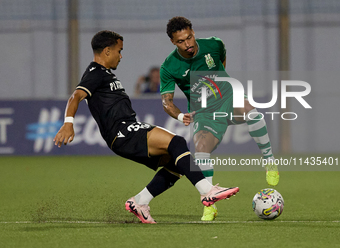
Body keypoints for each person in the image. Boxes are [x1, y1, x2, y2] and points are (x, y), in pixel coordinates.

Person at [53, 30, 239, 224]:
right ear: (107, 51)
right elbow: (76, 96)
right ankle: (207, 191)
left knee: (176, 163)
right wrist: (68, 123)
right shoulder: (95, 73)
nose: (121, 55)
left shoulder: (105, 74)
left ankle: (139, 202)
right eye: (119, 50)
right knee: (177, 143)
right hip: (123, 132)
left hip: (126, 130)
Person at [160, 16, 279, 221]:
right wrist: (180, 115)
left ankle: (269, 160)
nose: (187, 44)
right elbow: (167, 101)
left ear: (193, 32)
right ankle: (209, 203)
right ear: (172, 41)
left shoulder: (213, 44)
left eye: (189, 37)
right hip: (203, 111)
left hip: (228, 95)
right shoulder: (169, 67)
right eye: (181, 41)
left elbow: (221, 59)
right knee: (201, 148)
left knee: (254, 114)